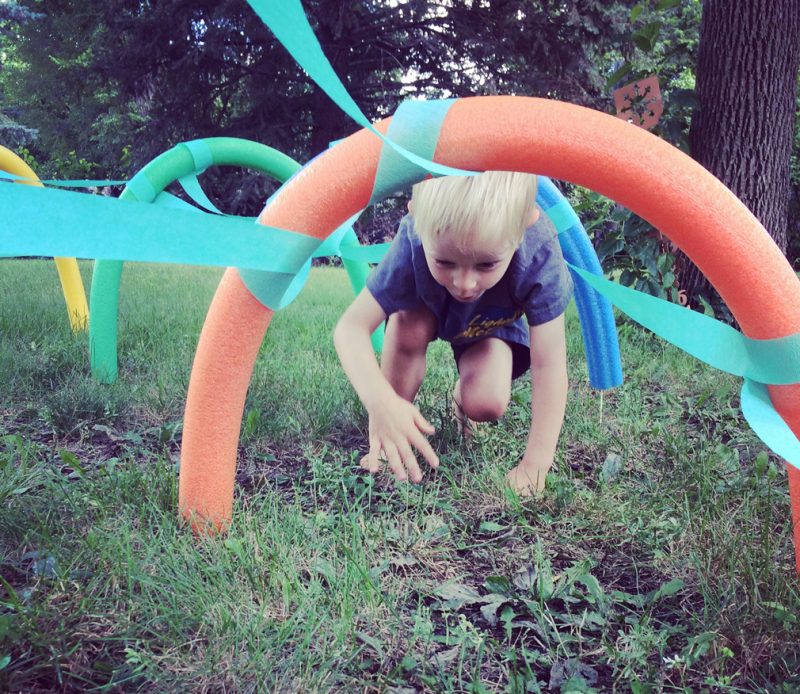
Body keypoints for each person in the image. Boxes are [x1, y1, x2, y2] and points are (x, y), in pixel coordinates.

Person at [333, 170, 573, 495]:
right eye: (445, 261)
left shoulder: (539, 252)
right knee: (410, 326)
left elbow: (550, 364)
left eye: (486, 264)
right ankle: (392, 433)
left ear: (522, 229)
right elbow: (350, 328)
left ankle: (462, 400)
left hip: (491, 323)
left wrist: (535, 465)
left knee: (488, 403)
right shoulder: (414, 238)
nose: (464, 283)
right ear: (416, 218)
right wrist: (380, 401)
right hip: (424, 309)